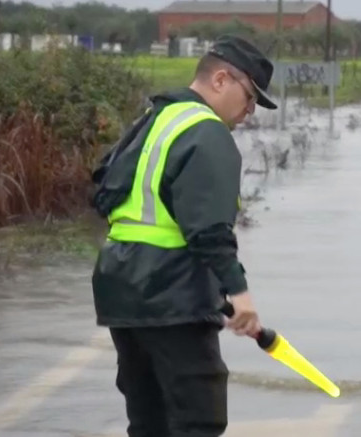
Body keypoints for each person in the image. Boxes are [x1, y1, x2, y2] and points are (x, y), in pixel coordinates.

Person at [89, 34, 277, 437]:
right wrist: (238, 292)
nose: (249, 112)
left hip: (121, 290)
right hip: (171, 297)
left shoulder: (155, 117)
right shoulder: (207, 132)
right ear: (221, 79)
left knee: (148, 421)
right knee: (199, 422)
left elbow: (103, 190)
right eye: (249, 97)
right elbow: (208, 228)